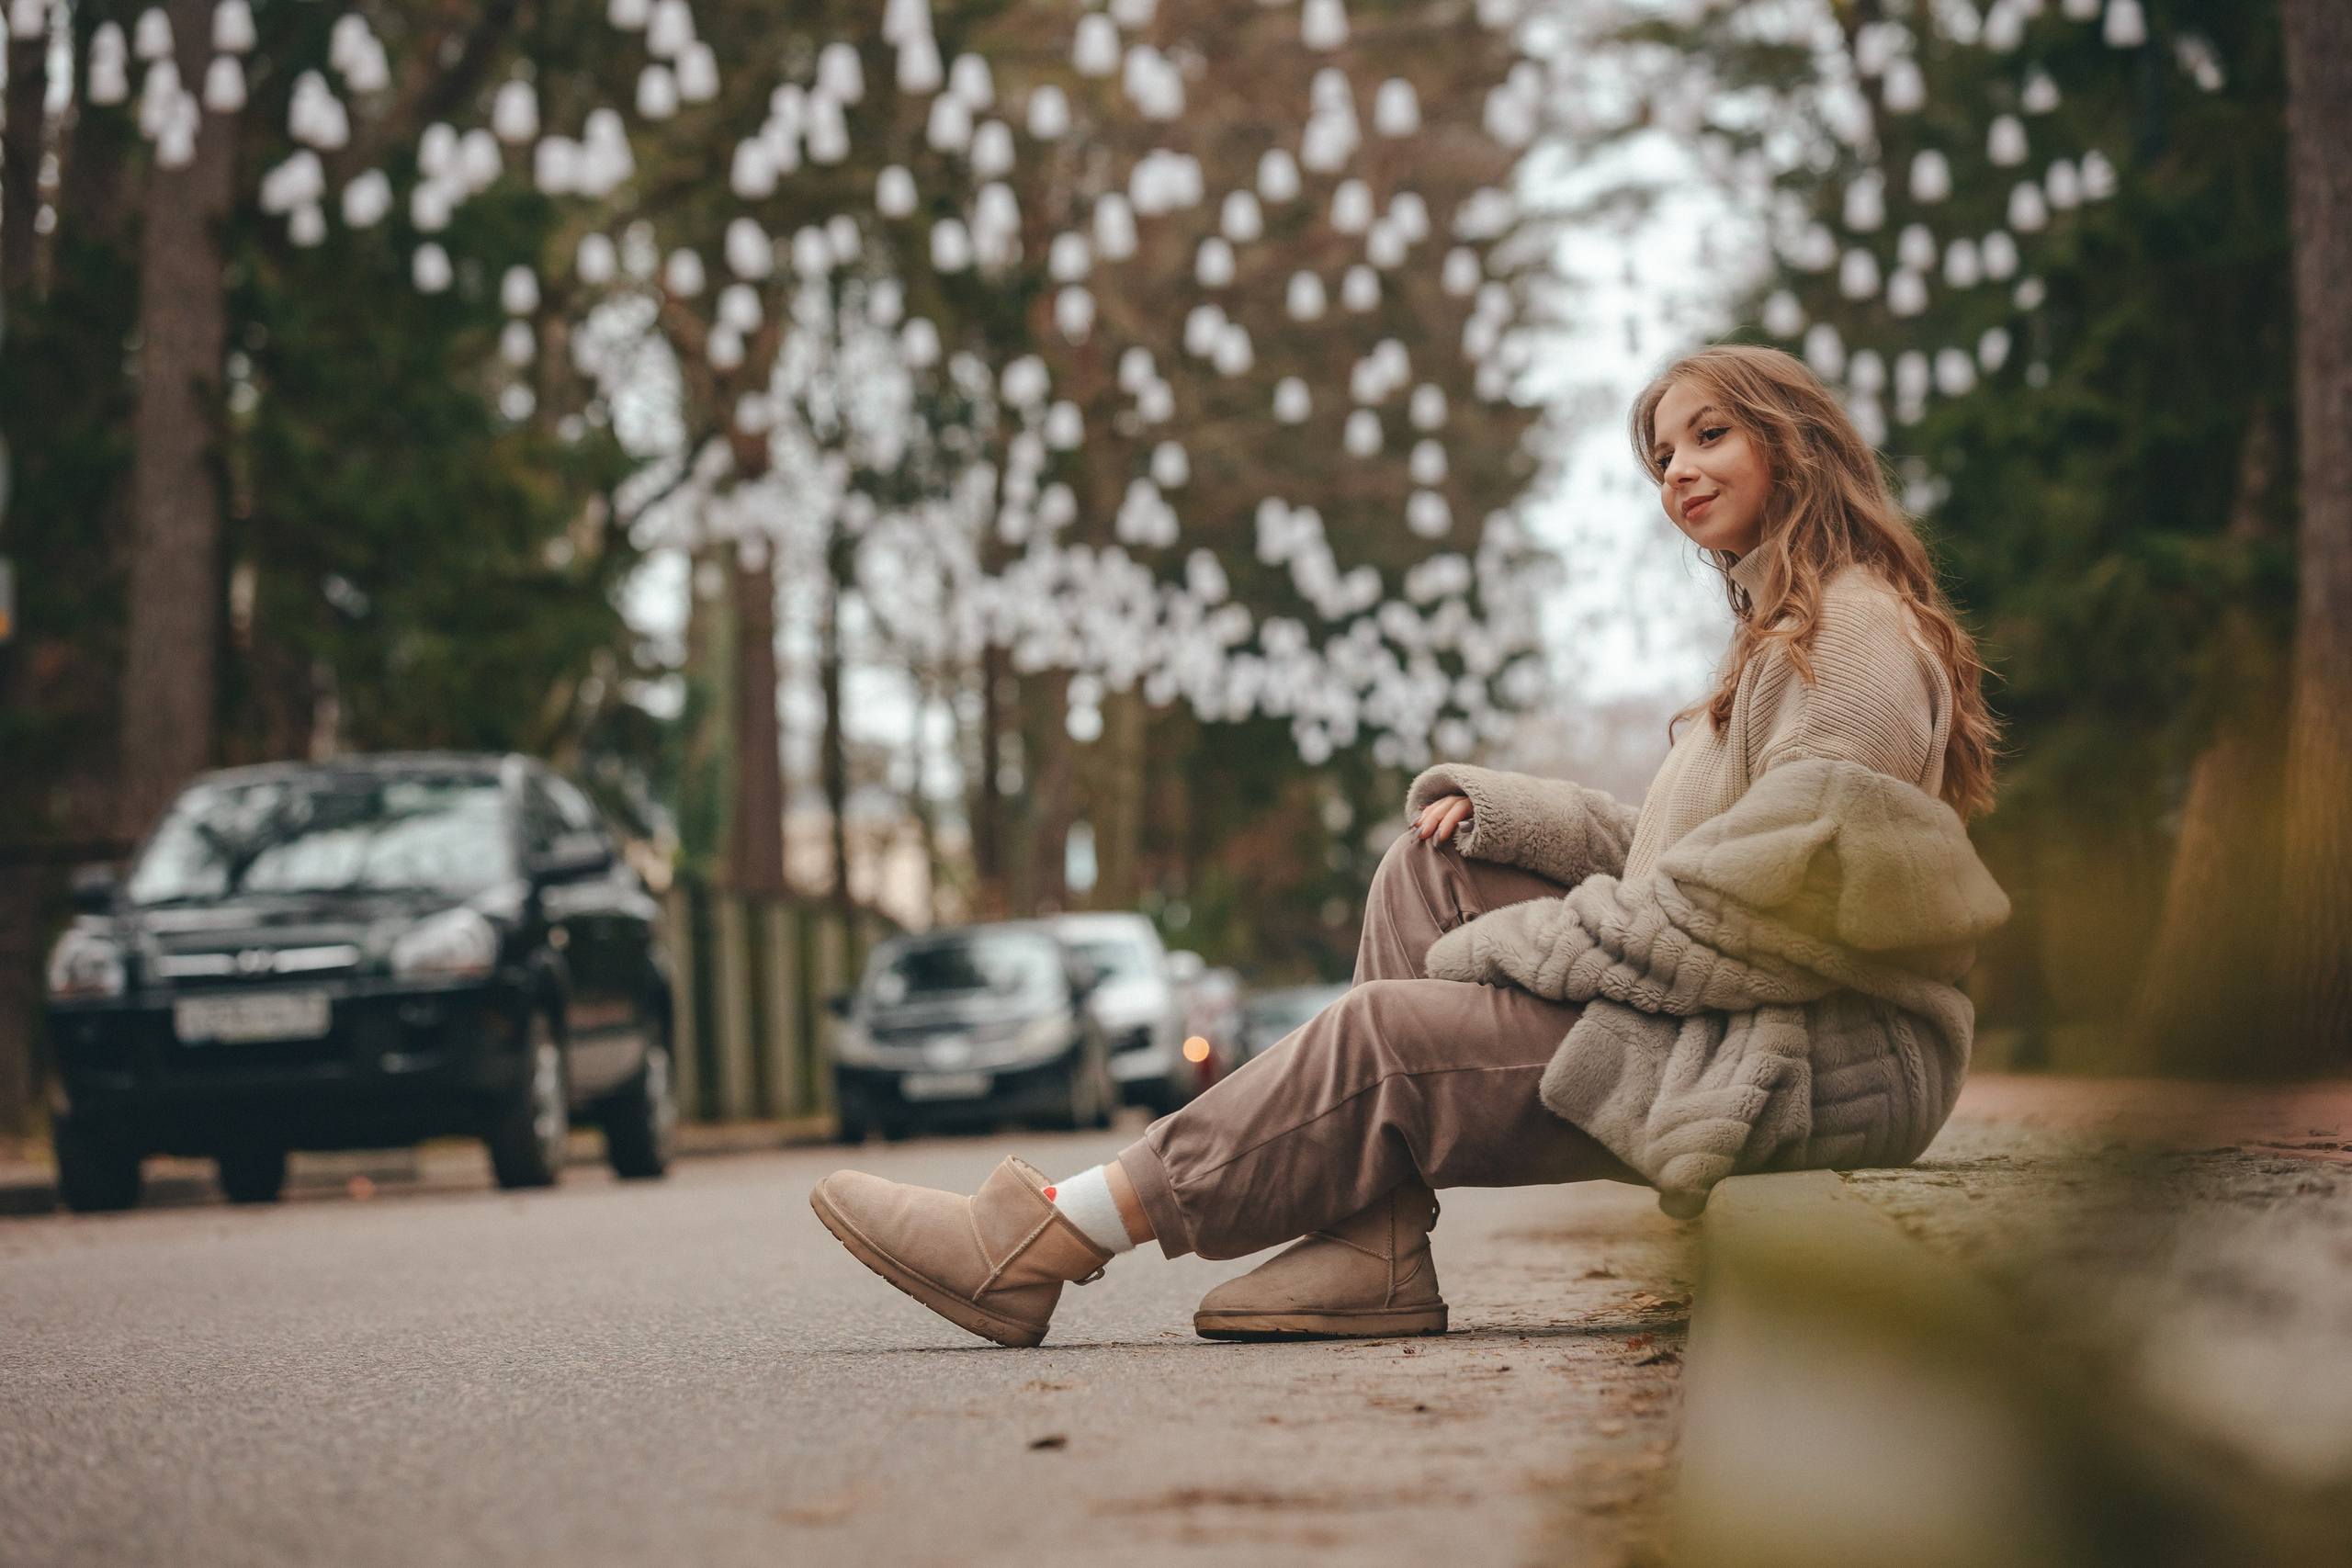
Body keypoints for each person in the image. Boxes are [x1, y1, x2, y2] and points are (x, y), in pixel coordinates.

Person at [808, 344, 2008, 1349]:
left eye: (1708, 437)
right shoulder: (1780, 630)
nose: (1678, 473)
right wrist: (1510, 822)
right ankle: (1373, 1247)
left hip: (1814, 1061)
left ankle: (1040, 1241)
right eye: (1661, 455)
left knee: (1381, 1035)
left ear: (1795, 445)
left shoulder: (1846, 637)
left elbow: (1779, 908)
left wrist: (1525, 946)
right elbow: (1676, 856)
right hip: (1739, 1020)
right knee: (1428, 867)